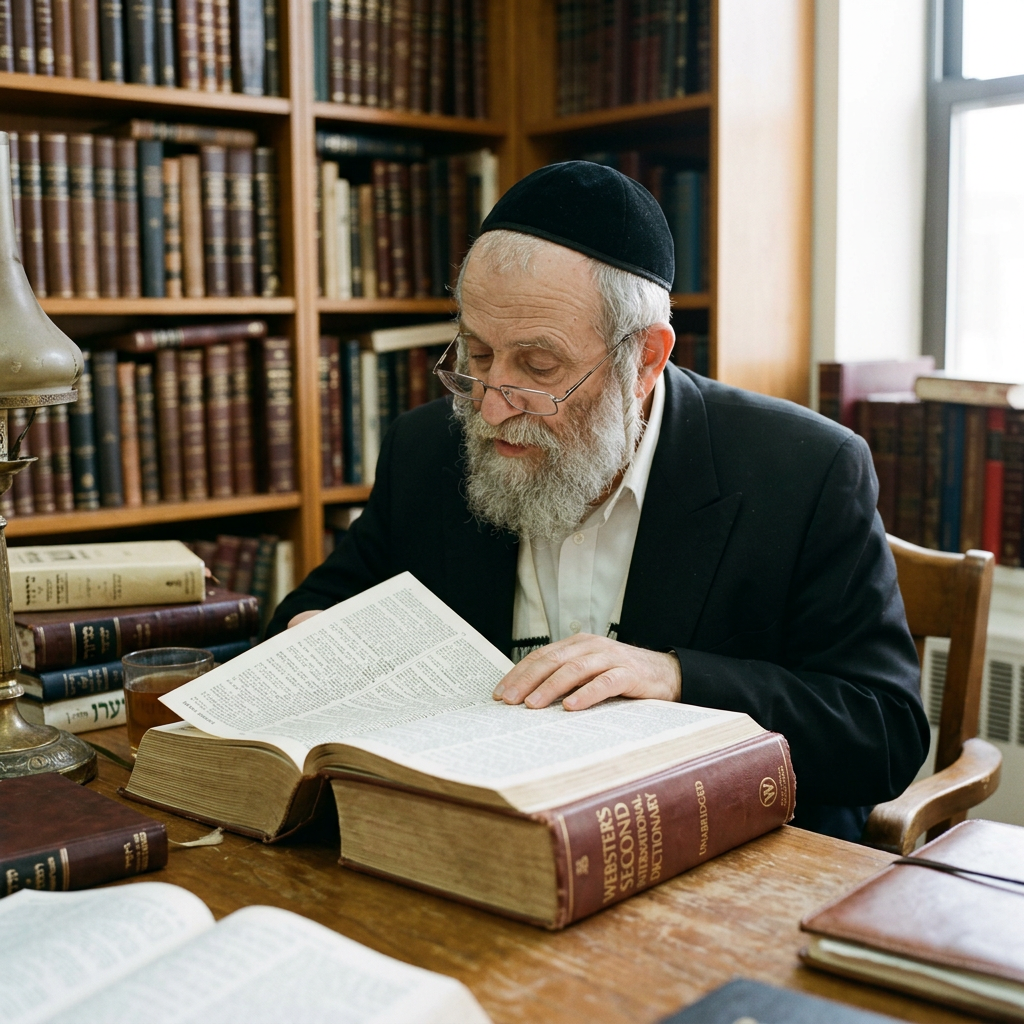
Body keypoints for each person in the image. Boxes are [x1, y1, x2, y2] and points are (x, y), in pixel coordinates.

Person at [268, 161, 929, 841]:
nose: (493, 404)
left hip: (718, 860)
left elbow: (882, 733)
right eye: (477, 352)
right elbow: (314, 611)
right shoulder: (425, 451)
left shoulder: (804, 470)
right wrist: (312, 639)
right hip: (481, 844)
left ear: (644, 359)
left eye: (539, 367)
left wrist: (674, 678)